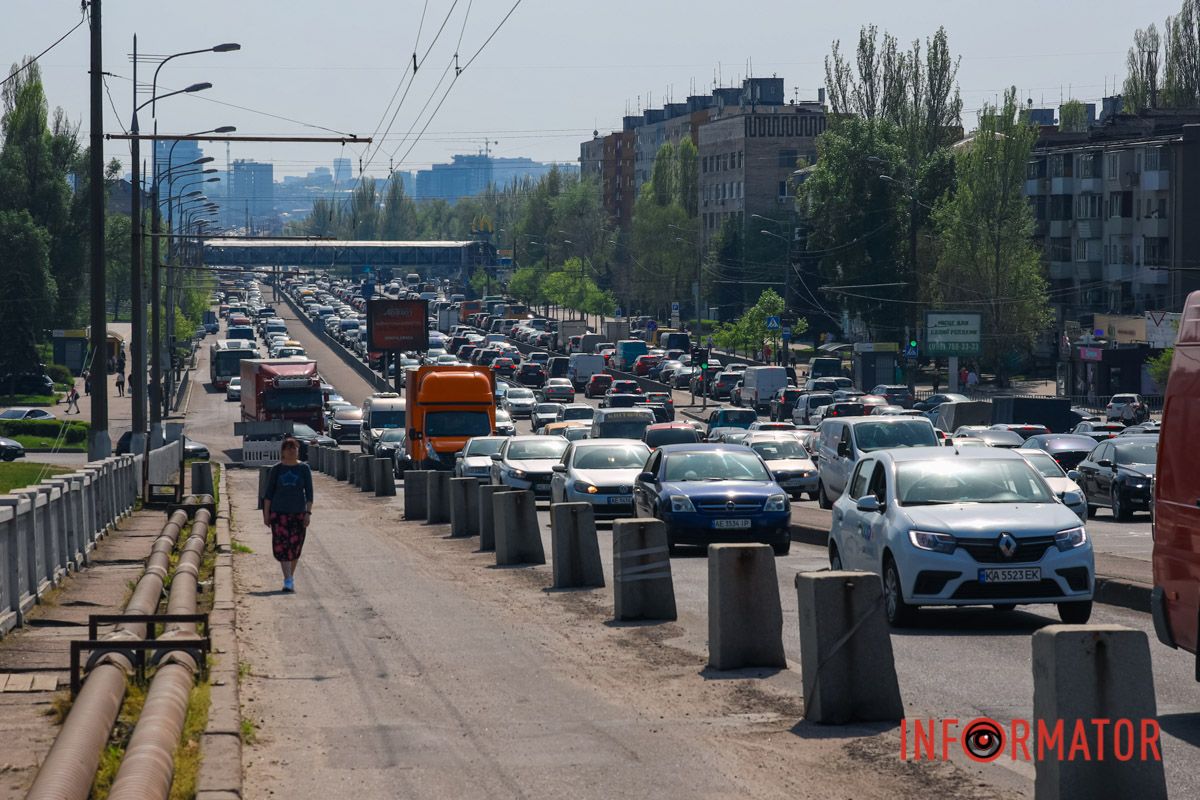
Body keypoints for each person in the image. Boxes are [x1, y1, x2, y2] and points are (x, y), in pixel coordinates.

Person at [262, 436, 313, 593]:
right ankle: (288, 579)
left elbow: (309, 494)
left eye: (294, 448)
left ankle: (290, 575)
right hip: (279, 514)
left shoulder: (304, 469)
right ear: (283, 452)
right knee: (283, 547)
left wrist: (308, 513)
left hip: (298, 513)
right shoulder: (276, 469)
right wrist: (266, 515)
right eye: (289, 448)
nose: (292, 450)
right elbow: (268, 494)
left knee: (296, 547)